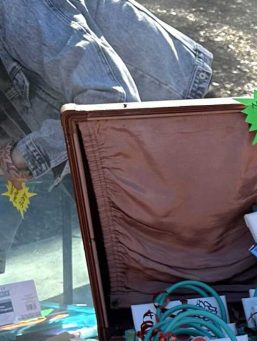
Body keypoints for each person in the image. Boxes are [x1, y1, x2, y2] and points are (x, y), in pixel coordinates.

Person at [0, 1, 212, 268]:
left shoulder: (21, 8)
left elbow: (109, 101)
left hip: (169, 125)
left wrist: (21, 157)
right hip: (88, 137)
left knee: (174, 280)